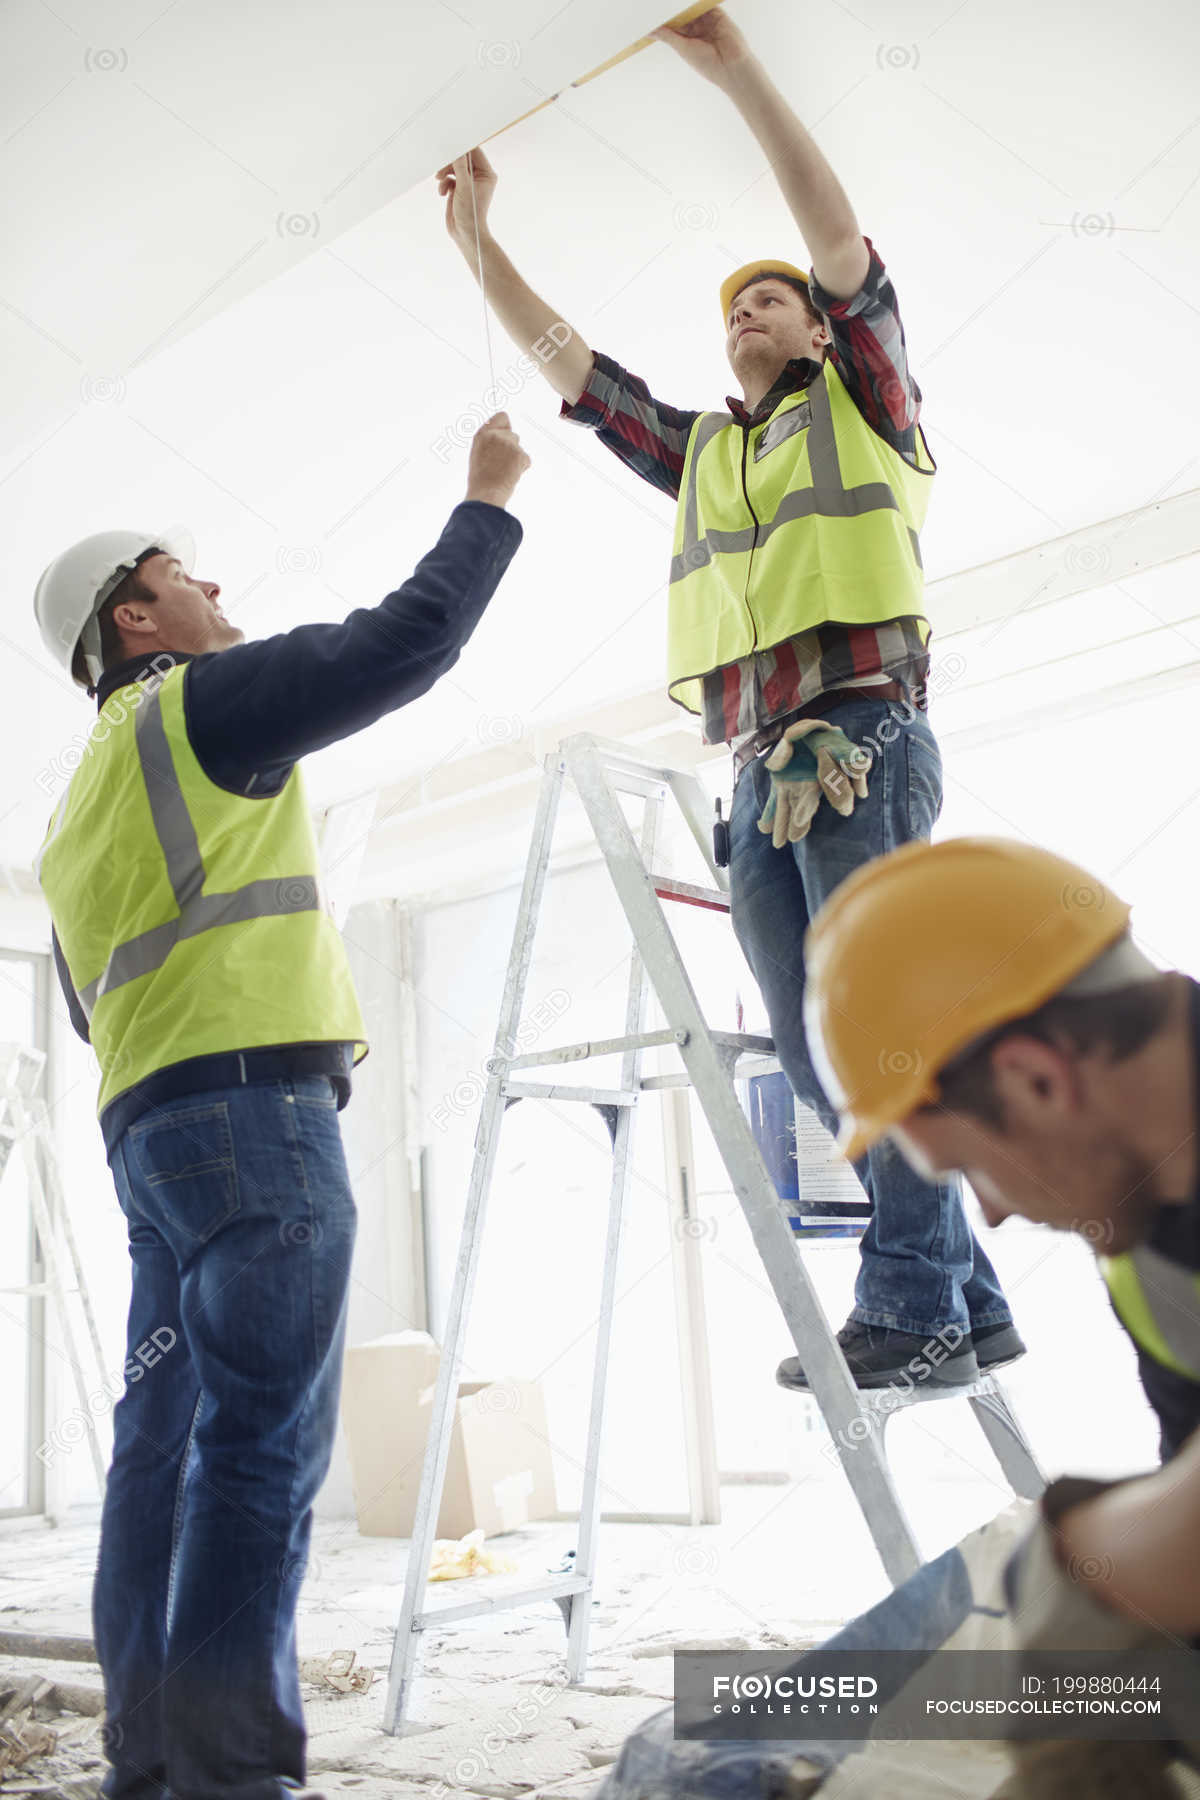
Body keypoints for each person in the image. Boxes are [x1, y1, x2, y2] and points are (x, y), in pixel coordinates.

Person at [437, 4, 1022, 1391]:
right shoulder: (705, 454)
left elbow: (840, 245)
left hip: (867, 737)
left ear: (823, 340)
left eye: (770, 302)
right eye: (732, 309)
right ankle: (969, 1302)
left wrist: (739, 74)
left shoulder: (869, 405)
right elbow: (578, 371)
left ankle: (910, 1310)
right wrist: (474, 245)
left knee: (878, 1034)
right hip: (760, 770)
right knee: (822, 1069)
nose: (747, 312)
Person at [31, 413, 530, 1800]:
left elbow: (89, 1005)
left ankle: (151, 1759)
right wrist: (488, 495)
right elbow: (403, 643)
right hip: (259, 1135)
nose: (221, 597)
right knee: (259, 1445)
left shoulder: (73, 811)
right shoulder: (201, 702)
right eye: (194, 578)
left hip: (152, 1157)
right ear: (137, 615)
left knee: (156, 1443)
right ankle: (234, 1775)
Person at [599, 836, 1200, 1798]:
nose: (993, 1214)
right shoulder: (1147, 1203)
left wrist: (1087, 1572)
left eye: (967, 1169)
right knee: (699, 1749)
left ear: (1040, 1078)